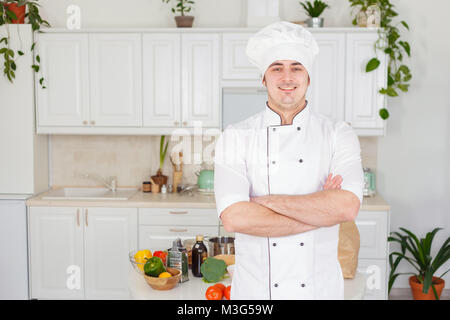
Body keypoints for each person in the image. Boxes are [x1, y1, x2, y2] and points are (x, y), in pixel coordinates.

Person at [214, 21, 364, 300]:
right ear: (263, 78)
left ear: (308, 77)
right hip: (256, 294)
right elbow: (235, 218)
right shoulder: (236, 136)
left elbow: (346, 207)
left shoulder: (337, 133)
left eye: (296, 67)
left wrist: (264, 202)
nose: (287, 77)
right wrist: (321, 210)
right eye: (276, 68)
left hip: (318, 291)